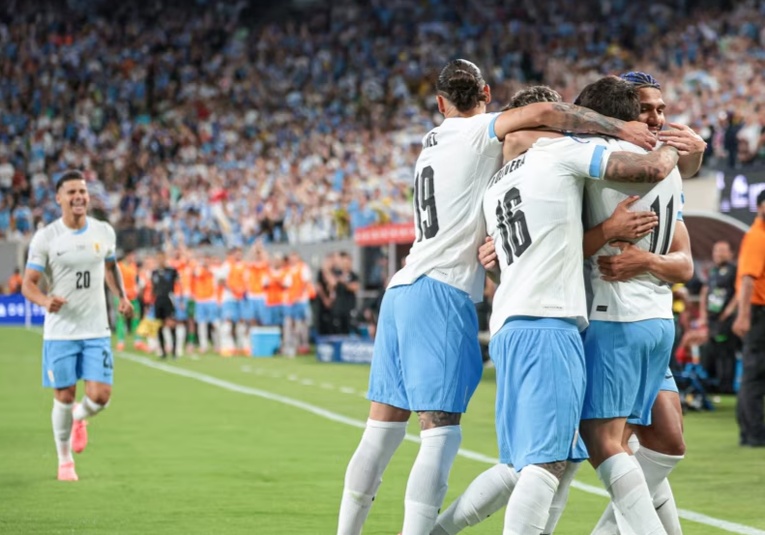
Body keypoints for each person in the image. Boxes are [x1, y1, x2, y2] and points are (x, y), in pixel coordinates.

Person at [336, 59, 655, 535]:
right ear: (487, 93)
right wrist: (621, 129)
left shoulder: (432, 146)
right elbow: (545, 117)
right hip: (449, 293)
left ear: (441, 103)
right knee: (444, 435)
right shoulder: (485, 133)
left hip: (405, 287)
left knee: (381, 431)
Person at [21, 169, 133, 482]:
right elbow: (28, 284)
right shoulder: (47, 237)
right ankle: (64, 461)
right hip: (61, 332)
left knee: (100, 397)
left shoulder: (103, 232)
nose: (79, 197)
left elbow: (111, 268)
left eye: (82, 191)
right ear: (59, 198)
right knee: (65, 395)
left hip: (96, 329)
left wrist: (122, 297)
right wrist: (45, 301)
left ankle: (80, 419)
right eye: (71, 192)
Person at [734, 189, 765, 447]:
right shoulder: (758, 236)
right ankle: (754, 433)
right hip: (757, 312)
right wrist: (743, 316)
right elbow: (746, 280)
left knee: (754, 374)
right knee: (755, 374)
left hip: (756, 312)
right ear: (759, 206)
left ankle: (750, 431)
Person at [699, 241, 739, 393]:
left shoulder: (734, 271)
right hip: (712, 319)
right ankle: (710, 384)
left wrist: (729, 311)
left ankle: (726, 386)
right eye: (716, 251)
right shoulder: (713, 271)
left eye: (722, 251)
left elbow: (739, 292)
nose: (718, 254)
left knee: (726, 353)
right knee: (711, 351)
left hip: (726, 320)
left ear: (730, 253)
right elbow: (705, 291)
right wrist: (703, 314)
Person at [151, 250, 180, 359]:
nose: (160, 260)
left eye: (162, 258)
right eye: (158, 258)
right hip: (158, 300)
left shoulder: (172, 271)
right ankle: (163, 351)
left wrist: (180, 300)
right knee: (159, 326)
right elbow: (153, 288)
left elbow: (179, 285)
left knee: (172, 325)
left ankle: (174, 351)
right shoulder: (154, 272)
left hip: (169, 298)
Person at [116, 250, 141, 351]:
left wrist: (137, 287)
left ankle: (137, 341)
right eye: (132, 255)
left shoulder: (134, 266)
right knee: (121, 319)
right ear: (127, 256)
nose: (133, 258)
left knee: (136, 318)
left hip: (133, 296)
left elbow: (136, 279)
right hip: (122, 296)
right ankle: (121, 341)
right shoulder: (120, 266)